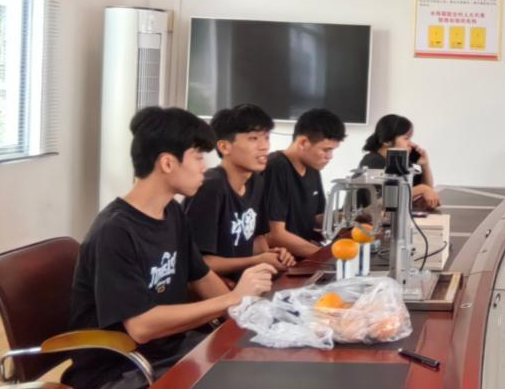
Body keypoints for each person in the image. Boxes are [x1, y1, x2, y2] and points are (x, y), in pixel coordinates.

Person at [63, 107, 274, 389]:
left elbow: (202, 278)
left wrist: (256, 313)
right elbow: (142, 327)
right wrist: (233, 299)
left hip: (170, 352)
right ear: (167, 163)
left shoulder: (172, 212)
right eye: (198, 157)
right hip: (119, 374)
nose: (204, 167)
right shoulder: (115, 231)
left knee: (259, 366)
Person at [182, 104, 294, 280]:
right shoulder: (210, 188)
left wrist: (272, 258)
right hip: (218, 291)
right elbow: (199, 264)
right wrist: (256, 260)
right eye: (254, 138)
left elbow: (256, 239)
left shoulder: (257, 182)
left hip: (248, 285)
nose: (264, 146)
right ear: (224, 147)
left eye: (266, 138)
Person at [262, 108, 346, 259]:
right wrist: (326, 256)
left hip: (304, 257)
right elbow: (275, 235)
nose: (330, 156)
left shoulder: (312, 169)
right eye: (326, 150)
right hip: (283, 261)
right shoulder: (276, 167)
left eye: (332, 150)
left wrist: (349, 219)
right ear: (303, 143)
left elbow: (316, 218)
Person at [359, 113, 441, 209]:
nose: (411, 144)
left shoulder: (400, 161)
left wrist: (425, 165)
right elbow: (382, 202)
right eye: (406, 138)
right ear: (387, 141)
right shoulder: (373, 161)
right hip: (364, 217)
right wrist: (421, 189)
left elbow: (428, 191)